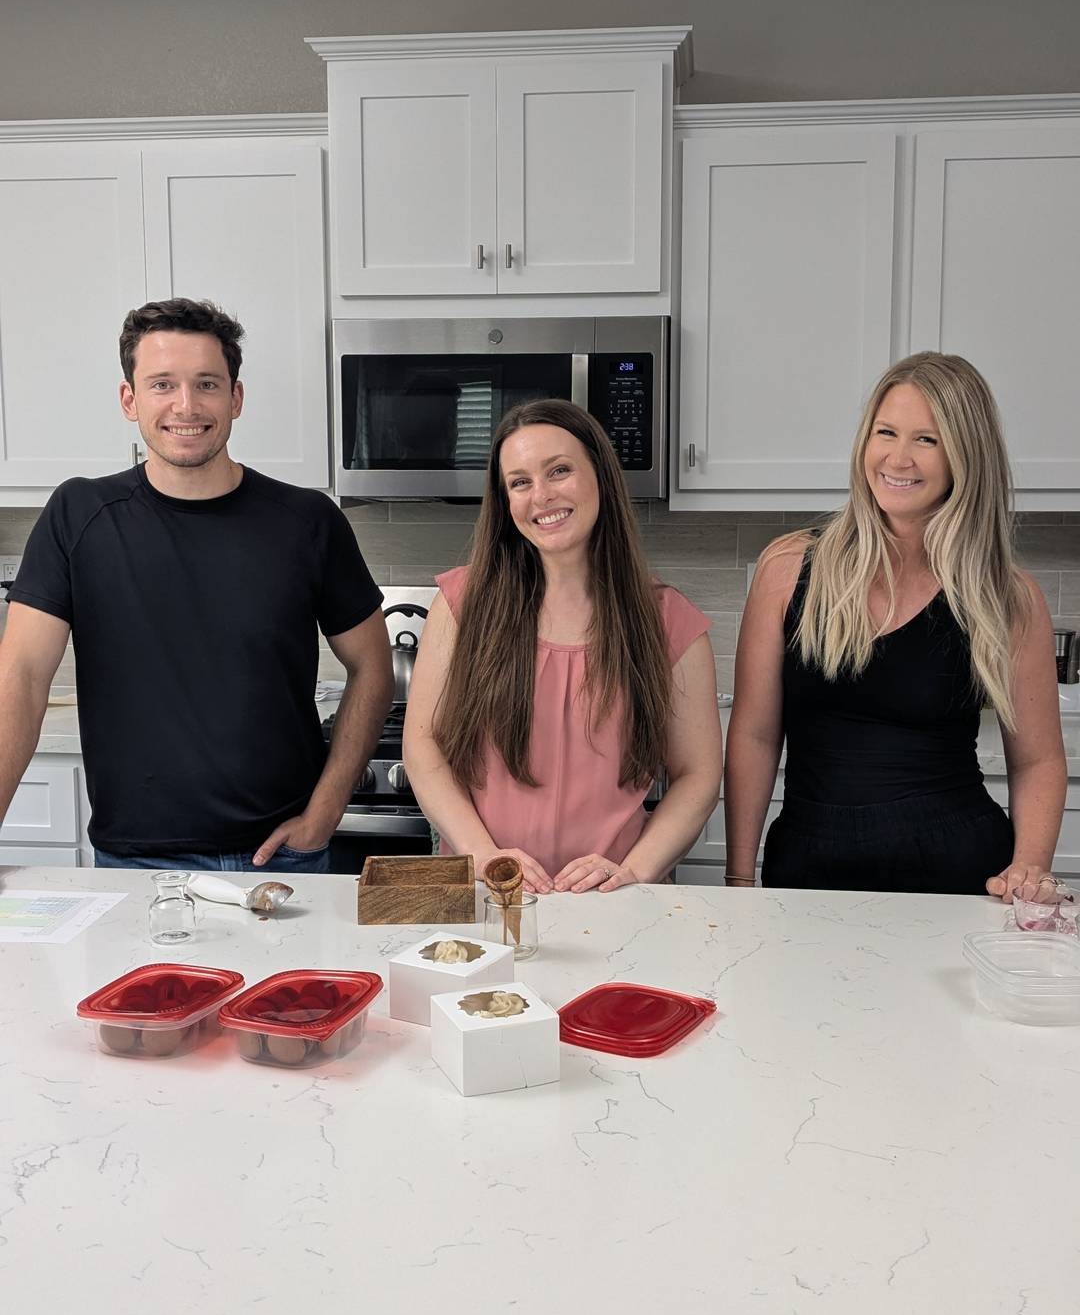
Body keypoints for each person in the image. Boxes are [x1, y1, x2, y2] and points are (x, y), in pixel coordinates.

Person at [0, 298, 393, 872]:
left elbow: (373, 666)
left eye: (207, 384)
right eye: (162, 384)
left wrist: (326, 811)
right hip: (137, 864)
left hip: (284, 858)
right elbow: (22, 678)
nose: (186, 406)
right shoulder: (78, 514)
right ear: (129, 399)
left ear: (236, 397)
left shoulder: (308, 520)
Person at [725, 352, 1066, 901]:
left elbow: (1038, 759)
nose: (898, 458)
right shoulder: (787, 568)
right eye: (886, 432)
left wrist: (1029, 866)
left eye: (927, 440)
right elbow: (755, 736)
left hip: (958, 875)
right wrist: (738, 880)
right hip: (808, 868)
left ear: (965, 456)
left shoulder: (1006, 595)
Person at [403, 399, 723, 893]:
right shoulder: (462, 604)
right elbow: (424, 745)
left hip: (613, 901)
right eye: (520, 482)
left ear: (601, 476)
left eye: (559, 471)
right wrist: (484, 855)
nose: (542, 496)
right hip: (489, 893)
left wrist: (632, 871)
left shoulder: (669, 621)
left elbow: (698, 775)